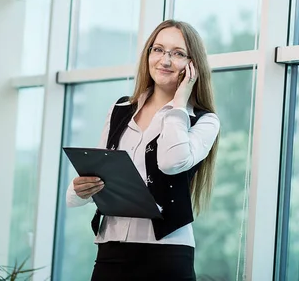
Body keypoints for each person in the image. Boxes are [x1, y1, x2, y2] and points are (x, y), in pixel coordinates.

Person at [65, 19, 221, 281]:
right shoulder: (120, 110)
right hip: (111, 249)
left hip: (167, 254)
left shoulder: (204, 121)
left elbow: (171, 162)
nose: (165, 60)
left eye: (178, 53)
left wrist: (179, 102)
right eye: (158, 49)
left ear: (193, 66)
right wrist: (80, 190)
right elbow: (92, 178)